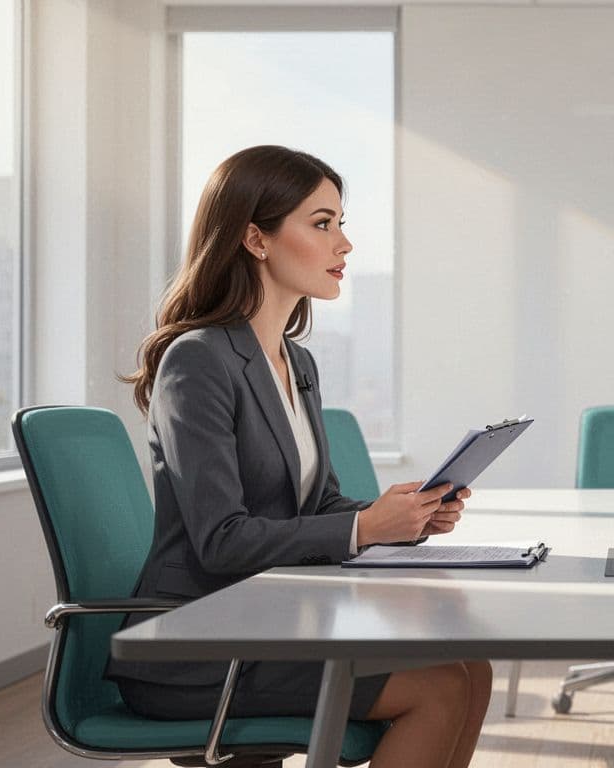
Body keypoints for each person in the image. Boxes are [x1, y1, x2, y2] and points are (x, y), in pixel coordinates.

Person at [108, 146, 490, 768]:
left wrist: (404, 515)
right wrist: (365, 528)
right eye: (322, 224)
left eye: (340, 223)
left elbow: (322, 504)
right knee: (442, 685)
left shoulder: (295, 361)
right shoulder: (197, 359)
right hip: (198, 643)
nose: (344, 244)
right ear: (255, 239)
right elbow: (221, 541)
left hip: (272, 622)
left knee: (470, 668)